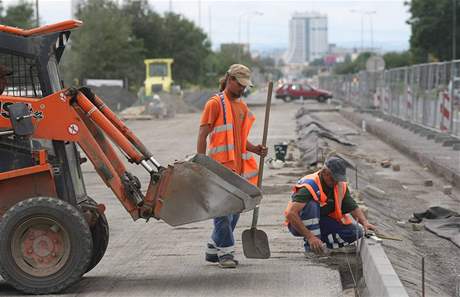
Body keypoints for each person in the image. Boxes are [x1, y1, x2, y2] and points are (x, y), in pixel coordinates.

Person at [197, 64, 267, 268]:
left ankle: (213, 248)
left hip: (238, 169)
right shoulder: (215, 104)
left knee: (235, 210)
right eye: (240, 84)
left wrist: (255, 149)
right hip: (217, 168)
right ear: (230, 79)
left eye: (246, 85)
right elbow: (202, 135)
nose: (243, 89)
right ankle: (226, 253)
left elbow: (238, 139)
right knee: (221, 210)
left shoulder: (241, 107)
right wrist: (200, 163)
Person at [284, 156, 376, 256]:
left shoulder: (339, 185)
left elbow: (352, 206)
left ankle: (324, 246)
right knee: (312, 205)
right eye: (333, 179)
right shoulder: (309, 186)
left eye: (337, 179)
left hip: (323, 222)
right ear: (324, 173)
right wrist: (310, 237)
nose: (335, 182)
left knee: (357, 231)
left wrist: (365, 222)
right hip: (298, 224)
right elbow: (291, 214)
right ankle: (311, 248)